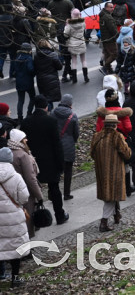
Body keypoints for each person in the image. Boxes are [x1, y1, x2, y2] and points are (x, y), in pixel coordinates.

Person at [22, 94, 69, 224]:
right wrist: (61, 164)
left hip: (33, 162)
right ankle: (59, 215)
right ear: (46, 107)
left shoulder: (26, 122)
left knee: (34, 191)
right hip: (51, 162)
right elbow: (57, 144)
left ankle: (35, 220)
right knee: (54, 189)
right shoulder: (51, 121)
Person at [90, 113, 132, 231]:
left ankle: (116, 215)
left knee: (110, 194)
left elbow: (92, 153)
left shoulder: (97, 136)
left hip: (101, 171)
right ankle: (104, 222)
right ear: (115, 125)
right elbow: (126, 154)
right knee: (112, 196)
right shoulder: (117, 137)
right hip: (114, 171)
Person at [0, 146, 30, 285]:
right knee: (15, 248)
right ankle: (15, 278)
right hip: (14, 218)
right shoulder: (16, 177)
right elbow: (24, 197)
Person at [52, 94, 79, 201]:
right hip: (68, 146)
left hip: (56, 146)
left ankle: (52, 193)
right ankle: (66, 194)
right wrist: (73, 141)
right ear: (70, 104)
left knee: (56, 172)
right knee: (68, 171)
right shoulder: (73, 115)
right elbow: (76, 133)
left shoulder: (53, 113)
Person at [10, 44, 35, 122]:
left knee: (21, 100)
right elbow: (30, 69)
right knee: (32, 97)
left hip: (19, 82)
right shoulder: (28, 58)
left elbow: (13, 71)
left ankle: (20, 117)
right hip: (28, 82)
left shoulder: (17, 57)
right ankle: (29, 113)